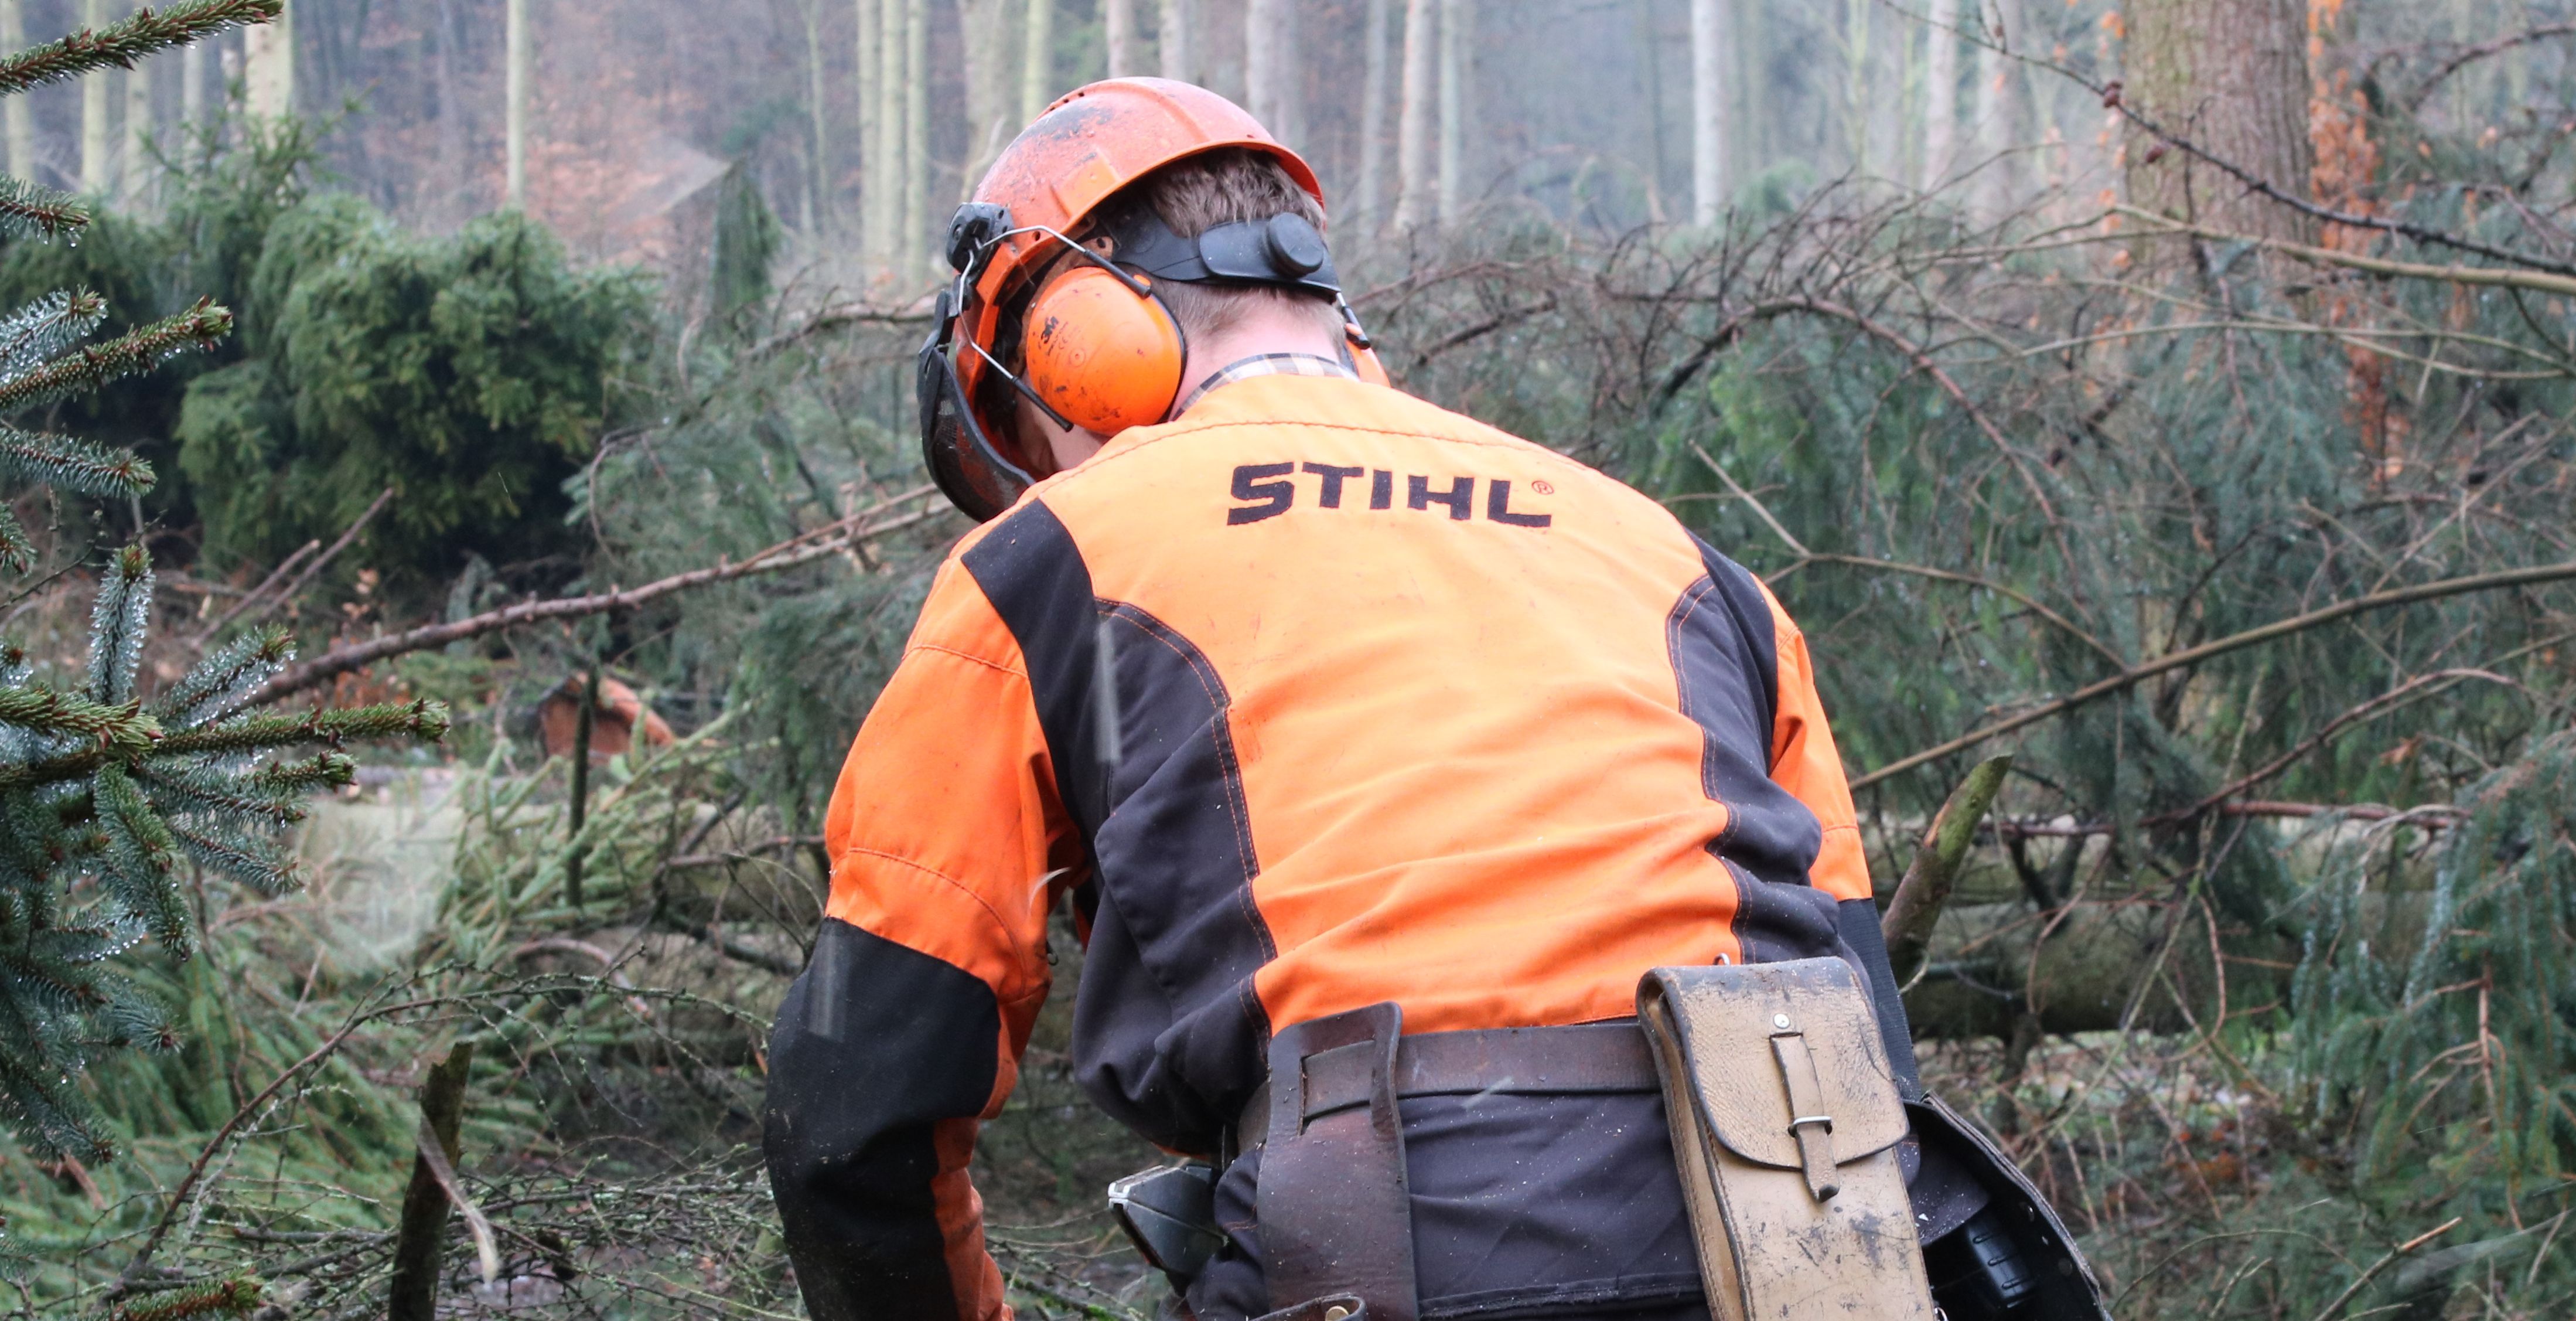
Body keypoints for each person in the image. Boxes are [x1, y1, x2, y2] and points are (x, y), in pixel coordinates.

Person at [757, 80, 2067, 1321]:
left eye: (1032, 430)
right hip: (1806, 1243)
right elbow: (1861, 1027)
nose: (1053, 477)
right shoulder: (1687, 563)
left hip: (1378, 1239)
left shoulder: (1047, 560)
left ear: (1073, 340)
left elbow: (859, 1111)